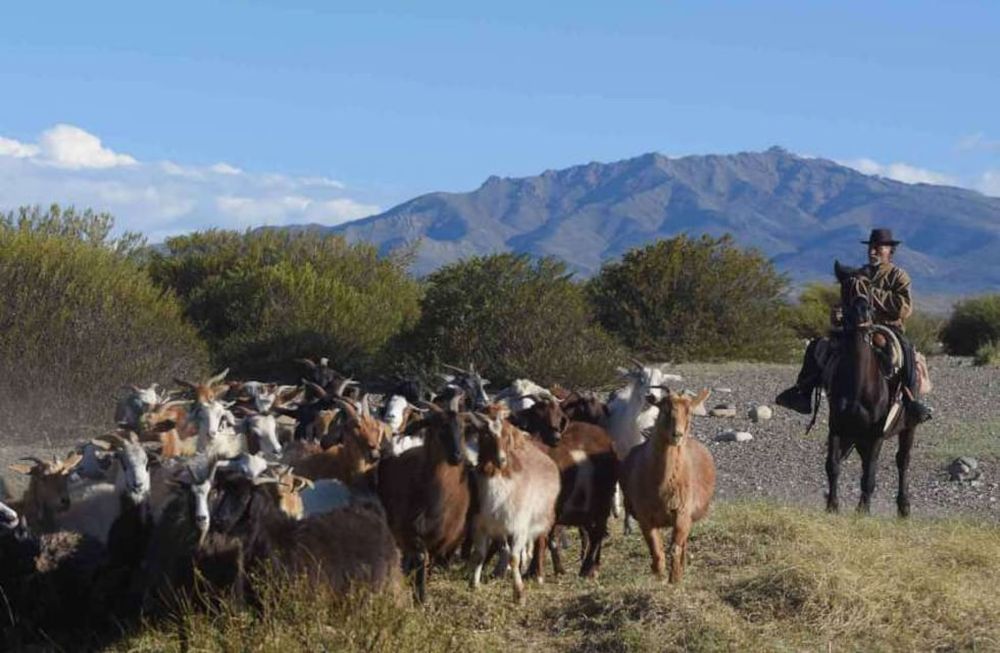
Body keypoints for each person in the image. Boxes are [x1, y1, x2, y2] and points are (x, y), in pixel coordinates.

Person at [775, 228, 933, 424]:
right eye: (871, 248)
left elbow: (905, 308)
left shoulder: (898, 275)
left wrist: (871, 294)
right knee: (818, 346)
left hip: (888, 328)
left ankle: (910, 402)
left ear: (889, 250)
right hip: (857, 326)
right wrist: (838, 314)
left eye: (878, 248)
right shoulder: (857, 275)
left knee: (906, 351)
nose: (873, 252)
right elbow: (847, 303)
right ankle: (803, 392)